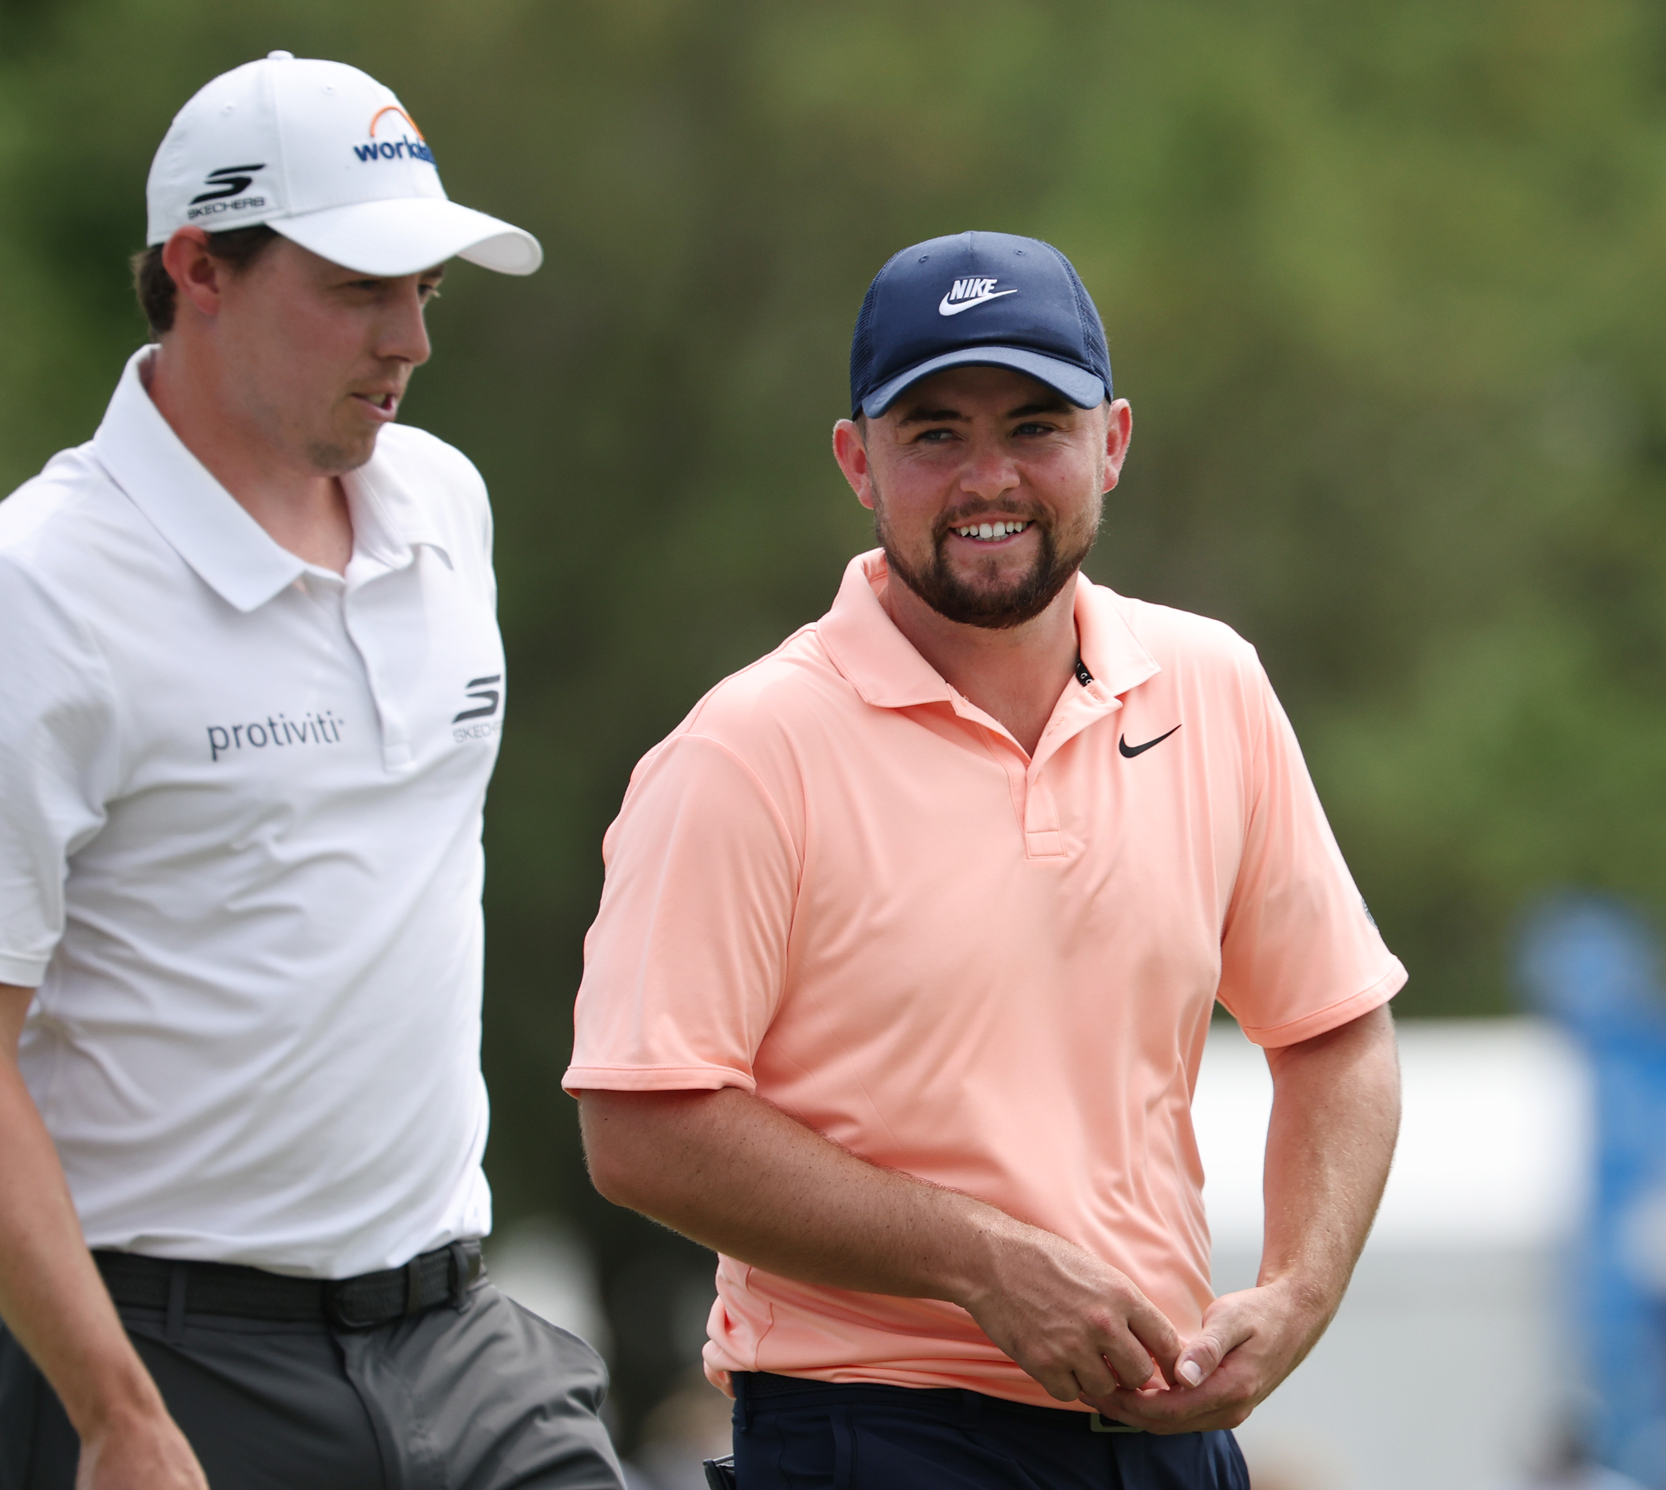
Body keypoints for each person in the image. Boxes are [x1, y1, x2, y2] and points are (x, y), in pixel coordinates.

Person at [0, 52, 620, 1490]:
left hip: (459, 1340)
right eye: (356, 290)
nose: (408, 339)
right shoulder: (28, 598)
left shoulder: (446, 506)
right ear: (198, 267)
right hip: (159, 1364)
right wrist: (114, 1412)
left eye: (428, 292)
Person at [566, 231, 1405, 1489]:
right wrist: (983, 1260)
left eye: (1035, 424)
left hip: (1167, 1432)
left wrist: (1297, 1293)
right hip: (875, 1431)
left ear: (1112, 442)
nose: (990, 475)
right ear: (859, 461)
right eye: (935, 432)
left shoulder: (1209, 683)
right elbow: (639, 1126)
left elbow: (1336, 1032)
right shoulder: (746, 748)